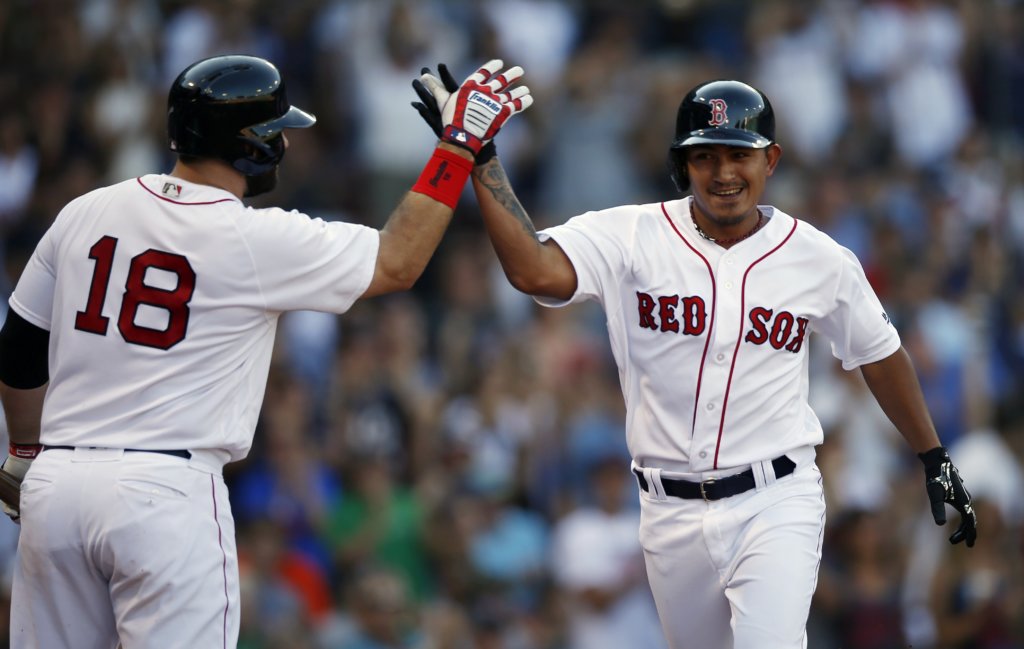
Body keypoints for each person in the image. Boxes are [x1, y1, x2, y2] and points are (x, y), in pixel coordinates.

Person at [412, 71, 976, 648]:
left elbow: (879, 354)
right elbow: (533, 271)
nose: (724, 172)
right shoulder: (632, 234)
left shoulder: (818, 258)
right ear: (683, 165)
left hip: (775, 497)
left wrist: (933, 455)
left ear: (770, 160)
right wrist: (481, 159)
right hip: (668, 511)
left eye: (739, 154)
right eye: (705, 157)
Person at [0, 54, 531, 649]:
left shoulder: (86, 210)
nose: (285, 142)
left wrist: (23, 455)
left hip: (58, 485)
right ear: (250, 144)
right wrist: (457, 146)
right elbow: (397, 261)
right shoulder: (252, 237)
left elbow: (18, 348)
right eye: (277, 131)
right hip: (164, 492)